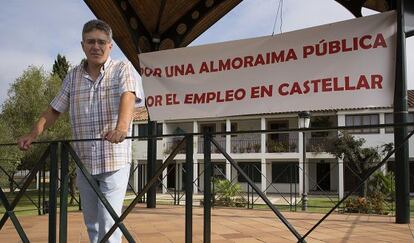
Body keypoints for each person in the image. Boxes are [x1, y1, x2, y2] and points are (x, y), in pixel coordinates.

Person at [18, 19, 144, 243]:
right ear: (83, 45)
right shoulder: (73, 75)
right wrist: (33, 133)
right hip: (84, 161)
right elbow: (54, 109)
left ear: (110, 46)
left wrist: (121, 128)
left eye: (101, 42)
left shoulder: (121, 68)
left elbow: (129, 96)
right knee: (92, 224)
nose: (96, 46)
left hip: (114, 159)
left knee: (109, 223)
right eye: (91, 41)